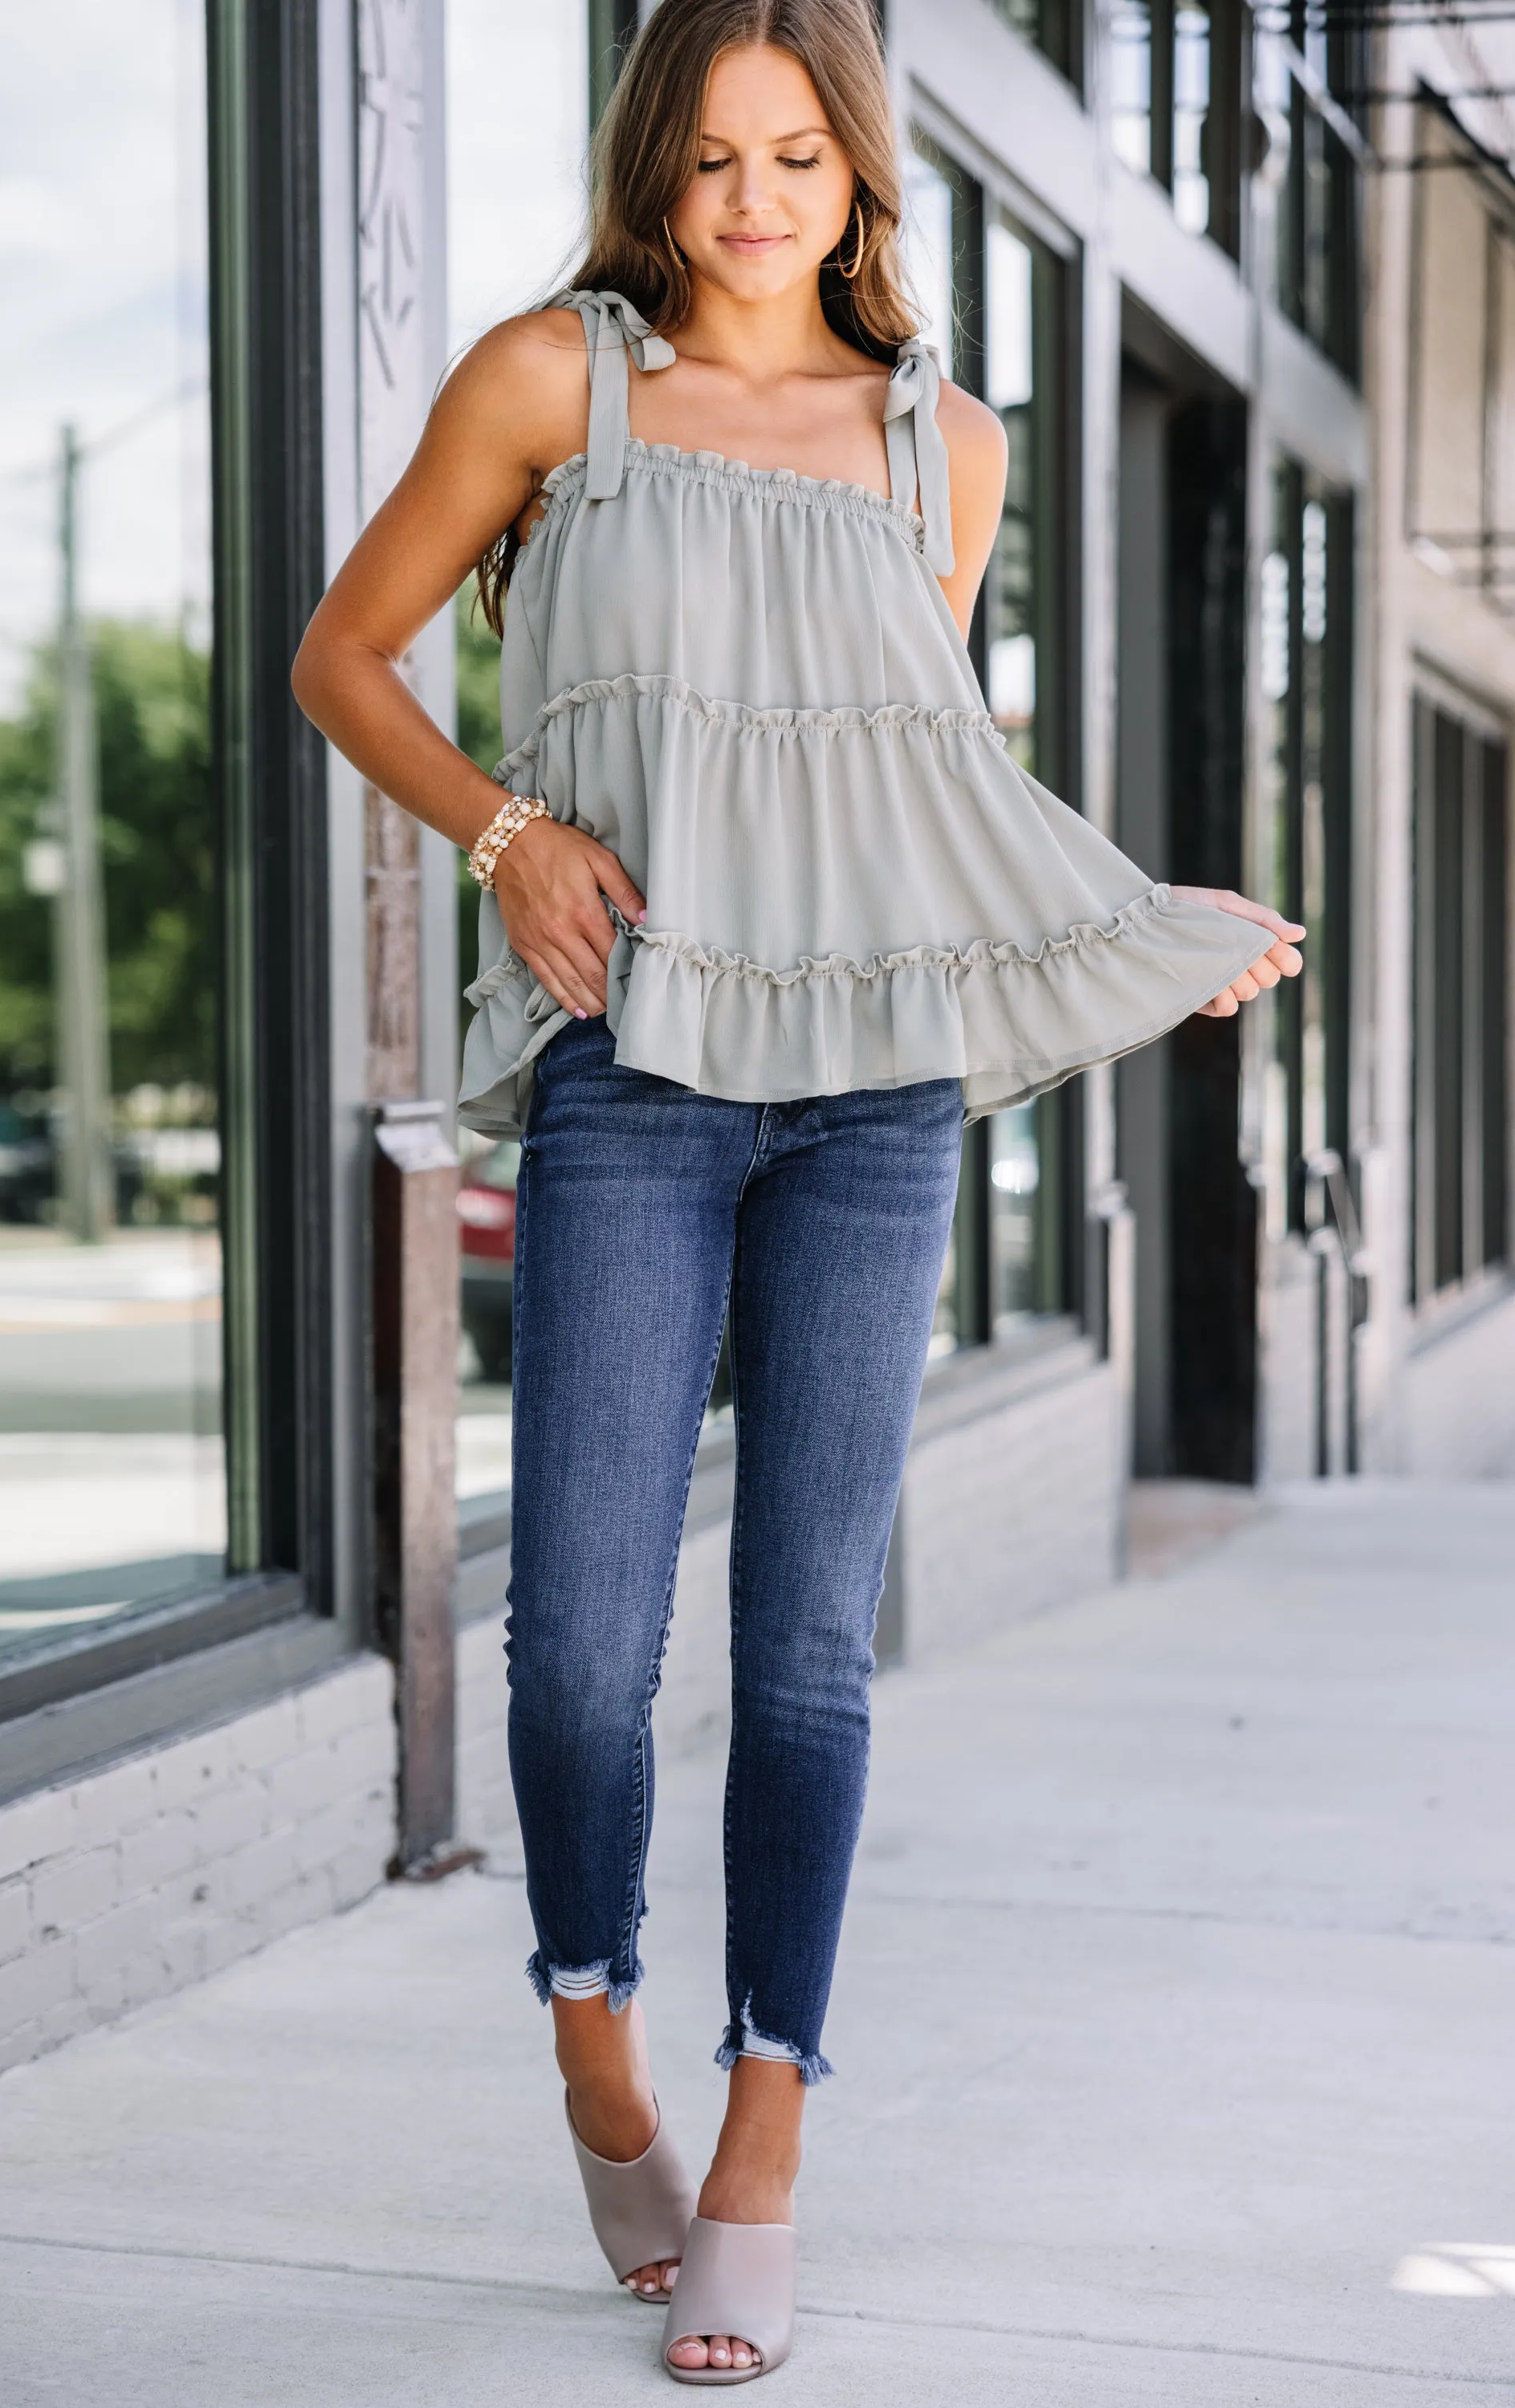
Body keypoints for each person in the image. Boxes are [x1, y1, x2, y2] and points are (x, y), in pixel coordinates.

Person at [291, 0, 1301, 2382]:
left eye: (800, 158)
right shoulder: (559, 386)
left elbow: (913, 793)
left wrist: (1151, 921)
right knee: (572, 1651)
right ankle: (587, 2026)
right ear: (660, 170)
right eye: (716, 159)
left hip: (877, 1100)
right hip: (636, 1069)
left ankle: (764, 2128)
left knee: (807, 1652)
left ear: (861, 175)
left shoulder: (946, 442)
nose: (757, 201)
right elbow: (344, 655)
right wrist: (511, 832)